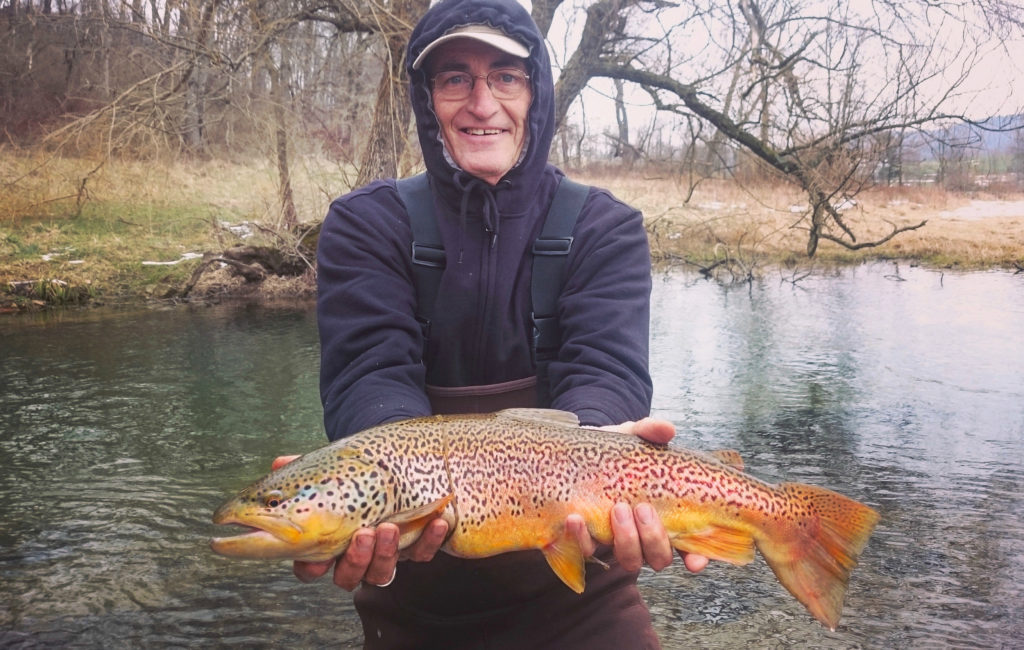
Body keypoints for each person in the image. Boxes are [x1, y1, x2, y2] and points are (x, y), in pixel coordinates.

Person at [296, 0, 707, 646]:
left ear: (535, 93)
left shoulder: (604, 229)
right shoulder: (365, 226)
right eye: (455, 77)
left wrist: (603, 461)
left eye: (505, 78)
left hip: (583, 599)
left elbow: (606, 373)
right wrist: (366, 488)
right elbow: (368, 376)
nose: (481, 103)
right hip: (414, 597)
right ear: (427, 99)